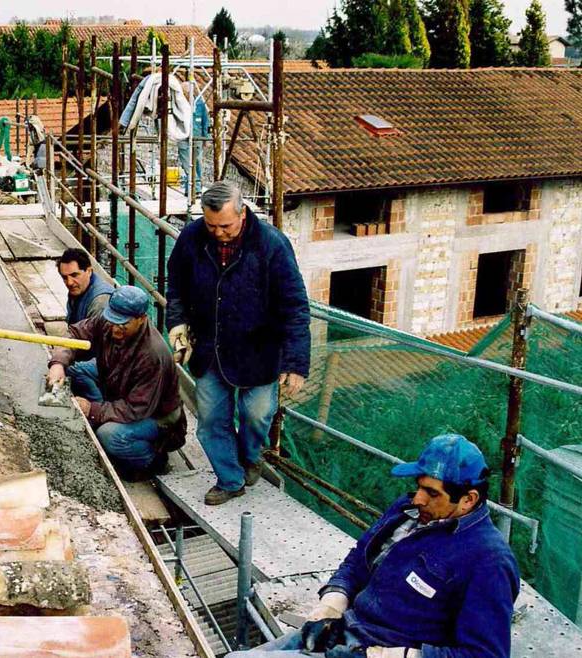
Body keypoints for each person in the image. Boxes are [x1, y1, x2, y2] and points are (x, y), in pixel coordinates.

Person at [231, 434, 519, 658]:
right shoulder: (406, 513)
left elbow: (485, 654)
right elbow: (359, 558)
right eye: (418, 486)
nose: (417, 499)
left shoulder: (487, 561)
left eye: (431, 493)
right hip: (346, 631)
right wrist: (334, 602)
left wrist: (392, 655)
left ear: (468, 499)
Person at [166, 180, 310, 505]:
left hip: (259, 352)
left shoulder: (271, 245)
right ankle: (230, 480)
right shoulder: (192, 237)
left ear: (243, 213)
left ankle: (250, 457)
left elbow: (295, 305)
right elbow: (176, 285)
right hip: (210, 349)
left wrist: (296, 361)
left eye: (226, 226)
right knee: (211, 421)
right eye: (211, 225)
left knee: (257, 415)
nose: (218, 233)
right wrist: (177, 324)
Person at [47, 286, 185, 481]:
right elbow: (75, 335)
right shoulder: (110, 320)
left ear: (141, 319)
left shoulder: (153, 355)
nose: (115, 328)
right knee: (74, 370)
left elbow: (136, 408)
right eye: (113, 321)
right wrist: (58, 363)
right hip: (119, 383)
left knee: (109, 435)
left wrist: (93, 409)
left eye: (123, 324)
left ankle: (152, 460)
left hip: (156, 415)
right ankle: (102, 413)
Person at [56, 248, 115, 401]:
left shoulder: (100, 301)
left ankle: (97, 409)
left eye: (75, 275)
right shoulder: (78, 290)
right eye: (64, 278)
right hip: (88, 352)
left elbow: (104, 350)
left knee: (74, 371)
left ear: (89, 271)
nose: (69, 282)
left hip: (107, 361)